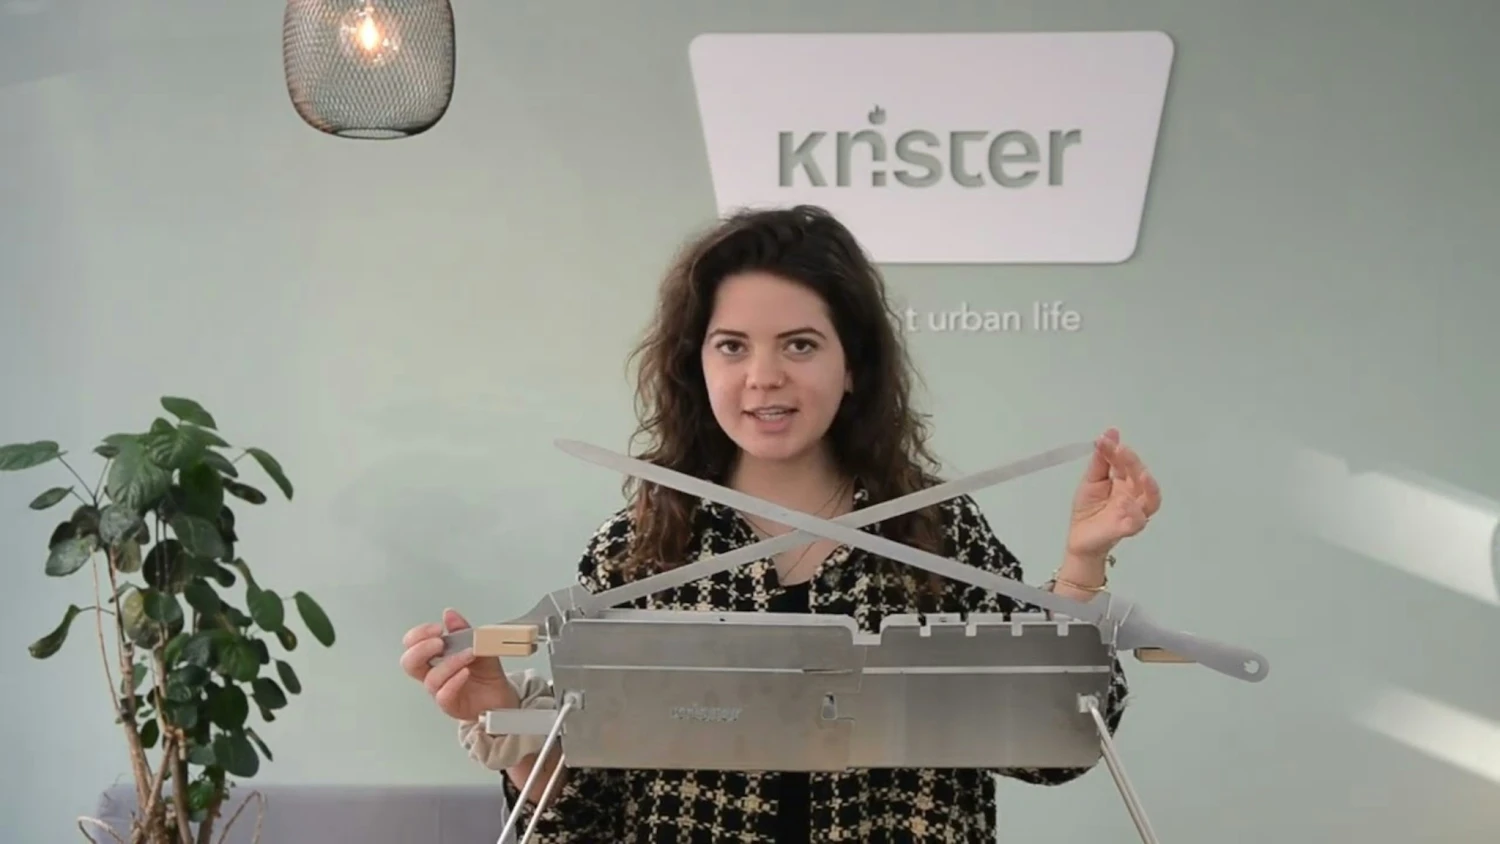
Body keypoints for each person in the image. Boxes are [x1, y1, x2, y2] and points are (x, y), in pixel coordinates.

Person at [399, 204, 1159, 842]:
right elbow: (591, 818)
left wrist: (1082, 566)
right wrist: (507, 726)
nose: (764, 377)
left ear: (852, 365)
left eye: (800, 344)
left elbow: (1056, 750)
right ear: (698, 365)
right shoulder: (639, 549)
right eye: (732, 346)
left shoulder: (934, 529)